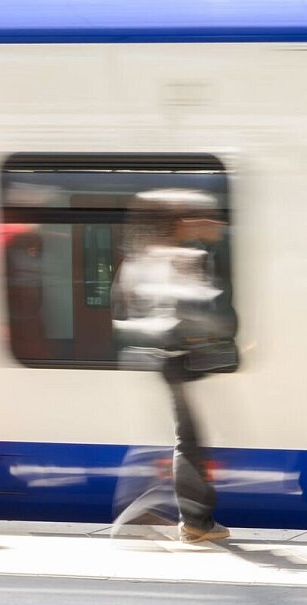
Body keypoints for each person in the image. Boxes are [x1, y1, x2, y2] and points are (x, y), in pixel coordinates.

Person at [112, 189, 233, 545]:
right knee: (187, 442)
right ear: (178, 222)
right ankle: (192, 521)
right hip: (174, 360)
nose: (205, 223)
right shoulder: (176, 258)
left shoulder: (139, 257)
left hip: (156, 360)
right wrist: (215, 333)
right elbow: (192, 309)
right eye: (195, 217)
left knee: (178, 439)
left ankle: (166, 517)